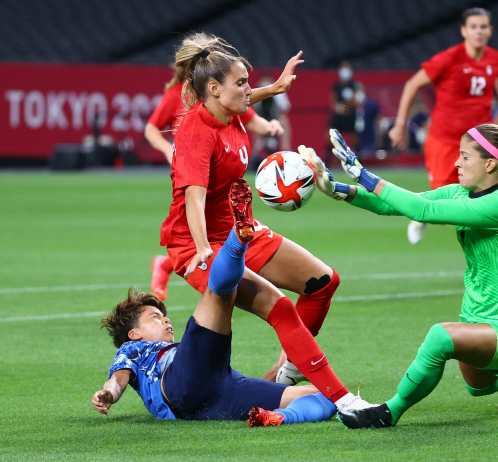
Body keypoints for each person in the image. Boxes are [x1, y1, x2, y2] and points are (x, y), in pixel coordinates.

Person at [299, 126, 498, 429]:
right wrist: (336, 188)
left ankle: (387, 413)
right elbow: (394, 204)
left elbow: (423, 210)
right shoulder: (462, 193)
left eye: (465, 156)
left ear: (490, 164)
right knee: (482, 386)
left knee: (441, 337)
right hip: (479, 318)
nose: (457, 163)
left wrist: (363, 174)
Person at [160, 33, 362, 399]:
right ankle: (342, 399)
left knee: (323, 282)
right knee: (280, 308)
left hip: (239, 230)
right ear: (214, 89)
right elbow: (193, 196)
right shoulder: (197, 132)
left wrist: (279, 87)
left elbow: (252, 98)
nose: (248, 91)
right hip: (198, 244)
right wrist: (204, 247)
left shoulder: (232, 110)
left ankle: (285, 375)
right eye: (241, 84)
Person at [92, 180, 351, 424]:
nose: (166, 319)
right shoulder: (131, 351)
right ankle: (237, 240)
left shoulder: (178, 351)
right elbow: (118, 379)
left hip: (216, 394)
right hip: (180, 384)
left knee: (326, 396)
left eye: (163, 315)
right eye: (155, 317)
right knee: (220, 294)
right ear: (133, 334)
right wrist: (109, 394)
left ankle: (278, 417)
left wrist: (274, 376)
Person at [145, 42, 285, 301]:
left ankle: (176, 262)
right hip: (194, 165)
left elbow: (247, 106)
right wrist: (168, 150)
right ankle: (194, 261)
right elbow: (152, 128)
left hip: (216, 178)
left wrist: (270, 116)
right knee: (194, 206)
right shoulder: (180, 97)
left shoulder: (226, 99)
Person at [387, 7, 498, 245]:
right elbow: (412, 84)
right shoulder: (449, 58)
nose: (478, 32)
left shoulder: (496, 58)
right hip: (444, 139)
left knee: (482, 194)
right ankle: (421, 216)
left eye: (483, 27)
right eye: (473, 27)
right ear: (463, 31)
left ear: (490, 30)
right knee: (446, 201)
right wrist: (400, 124)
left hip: (478, 141)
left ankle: (491, 245)